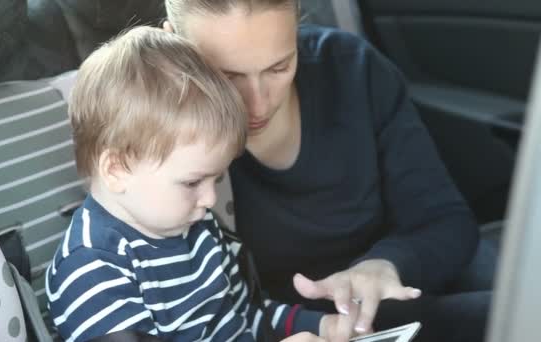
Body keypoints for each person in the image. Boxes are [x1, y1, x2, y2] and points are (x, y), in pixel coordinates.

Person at [163, 1, 493, 341]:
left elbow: (444, 219)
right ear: (173, 49)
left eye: (279, 67)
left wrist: (386, 263)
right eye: (227, 76)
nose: (257, 104)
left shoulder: (352, 70)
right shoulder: (151, 145)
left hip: (397, 286)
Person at [45, 26, 345, 342]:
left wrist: (320, 326)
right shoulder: (92, 268)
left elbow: (245, 320)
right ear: (117, 169)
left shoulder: (202, 232)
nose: (210, 198)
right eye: (192, 183)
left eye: (216, 179)